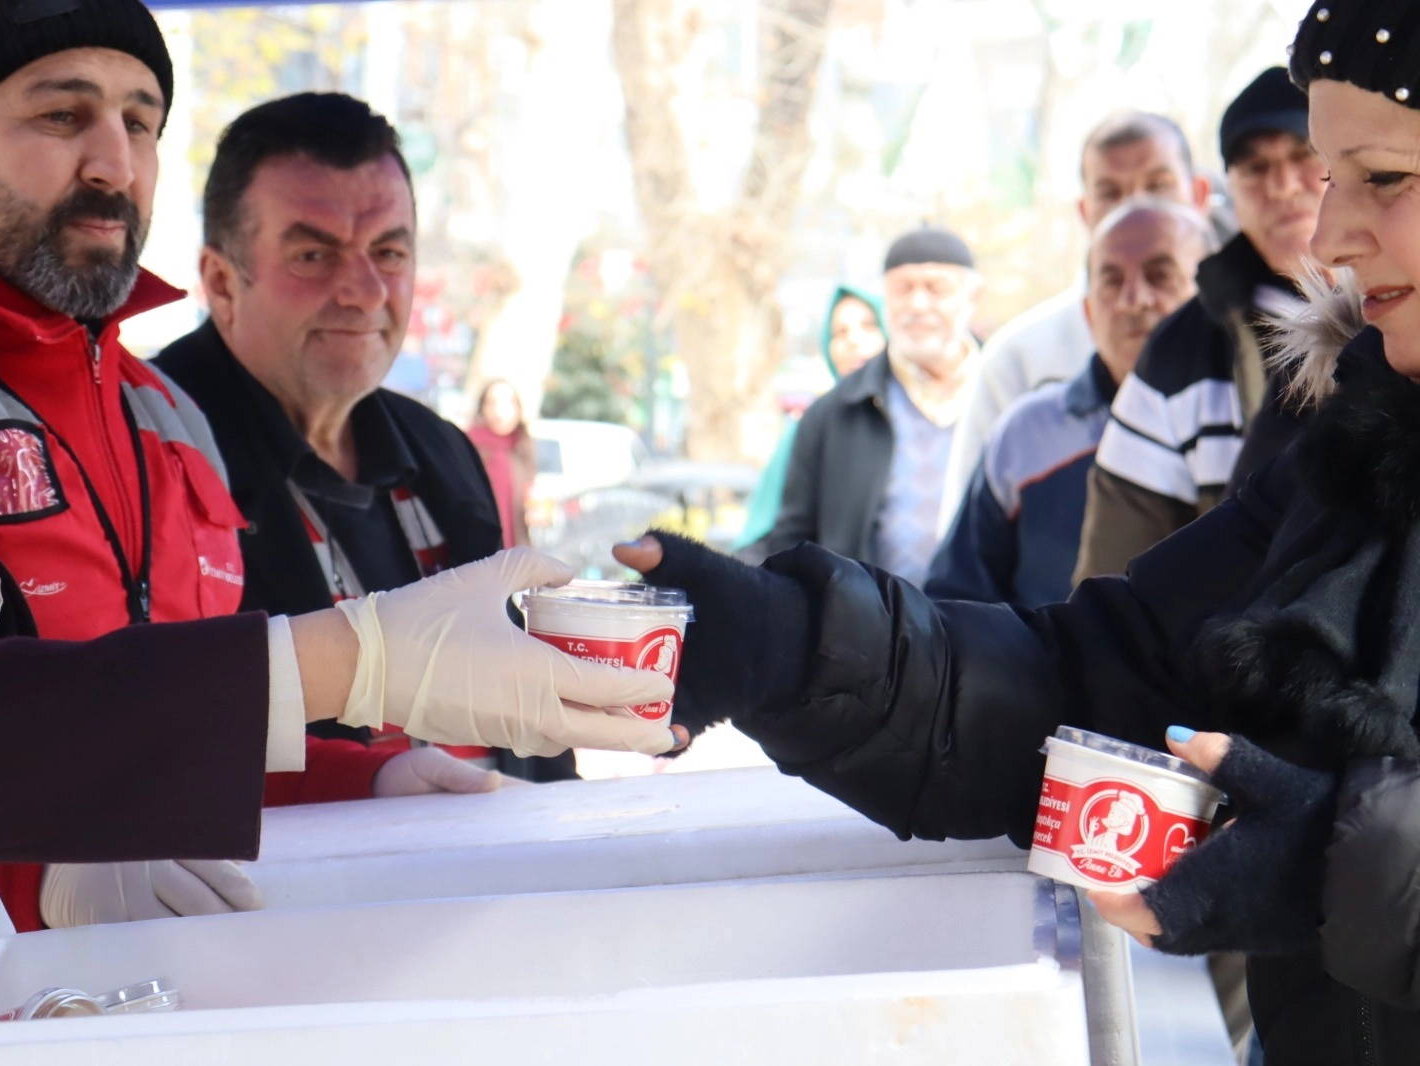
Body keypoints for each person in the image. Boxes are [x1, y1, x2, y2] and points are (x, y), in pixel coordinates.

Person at [0, 0, 673, 1008]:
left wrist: (365, 778)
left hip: (142, 990)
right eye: (62, 117)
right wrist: (36, 867)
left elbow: (178, 706)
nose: (113, 163)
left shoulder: (168, 415)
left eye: (140, 122)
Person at [608, 6, 1420, 1061]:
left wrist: (1342, 857)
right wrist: (790, 644)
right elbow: (1091, 679)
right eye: (1325, 179)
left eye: (1383, 179)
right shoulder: (1348, 462)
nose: (1325, 237)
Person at [157, 93, 570, 781]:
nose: (366, 289)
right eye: (314, 254)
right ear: (220, 282)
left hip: (495, 863)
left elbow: (522, 699)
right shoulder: (146, 440)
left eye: (389, 251)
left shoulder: (440, 449)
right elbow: (146, 719)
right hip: (279, 880)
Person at [1075, 68, 1324, 583]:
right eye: (1255, 167)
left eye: (1304, 155)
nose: (1281, 185)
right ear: (1228, 188)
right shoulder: (1179, 353)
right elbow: (1116, 580)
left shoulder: (1399, 317)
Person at [926, 200, 1215, 608]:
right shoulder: (1027, 436)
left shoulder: (1253, 421)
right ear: (1088, 311)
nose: (1134, 300)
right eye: (1111, 281)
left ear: (1213, 298)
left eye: (1159, 276)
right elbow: (954, 607)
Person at [938, 111, 1212, 534]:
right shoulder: (1020, 359)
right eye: (1110, 192)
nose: (1136, 206)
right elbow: (963, 563)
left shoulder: (1261, 344)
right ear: (1085, 210)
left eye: (1158, 186)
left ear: (1198, 194)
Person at [763, 227, 980, 584]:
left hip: (987, 631)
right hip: (871, 633)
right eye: (903, 289)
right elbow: (791, 542)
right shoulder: (835, 412)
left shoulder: (1005, 396)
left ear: (972, 297)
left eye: (935, 288)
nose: (918, 304)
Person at [736, 286, 885, 556]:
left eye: (869, 326)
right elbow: (777, 533)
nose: (853, 341)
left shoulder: (916, 423)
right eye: (840, 332)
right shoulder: (814, 424)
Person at [470, 379, 537, 550]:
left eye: (509, 403)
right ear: (482, 408)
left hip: (517, 550)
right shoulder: (468, 445)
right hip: (480, 550)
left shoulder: (522, 446)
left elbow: (530, 498)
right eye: (492, 403)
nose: (500, 412)